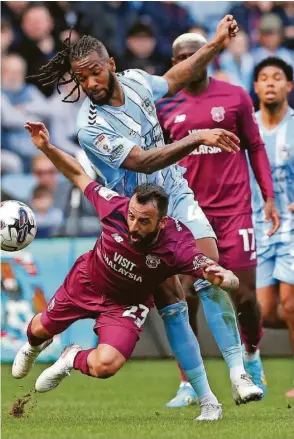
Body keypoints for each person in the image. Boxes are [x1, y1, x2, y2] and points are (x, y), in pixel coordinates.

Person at [29, 16, 259, 413]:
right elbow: (143, 162)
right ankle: (205, 398)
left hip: (175, 194)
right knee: (172, 304)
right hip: (135, 218)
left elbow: (176, 76)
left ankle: (238, 373)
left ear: (111, 65)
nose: (90, 85)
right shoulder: (90, 126)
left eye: (95, 74)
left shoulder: (136, 81)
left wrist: (218, 42)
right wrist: (196, 137)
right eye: (81, 80)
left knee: (211, 271)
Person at [13, 122, 262, 422]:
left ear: (161, 223)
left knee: (105, 366)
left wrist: (221, 275)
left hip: (126, 305)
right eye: (132, 216)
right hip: (87, 283)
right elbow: (77, 174)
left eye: (144, 221)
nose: (133, 225)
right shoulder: (114, 207)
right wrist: (46, 147)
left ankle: (70, 359)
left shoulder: (175, 243)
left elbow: (203, 265)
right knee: (39, 329)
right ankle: (32, 347)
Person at [156, 32, 279, 406]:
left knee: (243, 294)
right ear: (174, 63)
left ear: (207, 58)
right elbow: (156, 161)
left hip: (235, 212)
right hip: (187, 215)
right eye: (182, 57)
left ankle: (252, 353)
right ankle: (188, 382)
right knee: (184, 296)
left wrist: (269, 196)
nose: (189, 63)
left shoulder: (235, 97)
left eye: (196, 56)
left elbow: (255, 146)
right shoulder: (164, 105)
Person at [252, 57, 294, 398]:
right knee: (264, 312)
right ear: (255, 87)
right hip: (257, 225)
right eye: (263, 78)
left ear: (288, 86)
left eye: (277, 78)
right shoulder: (246, 127)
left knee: (291, 305)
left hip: (293, 225)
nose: (270, 83)